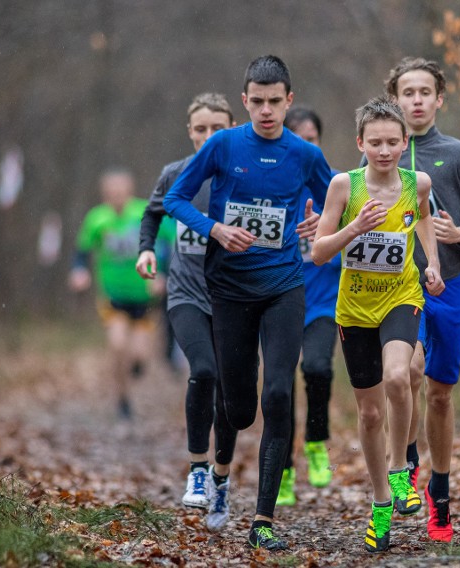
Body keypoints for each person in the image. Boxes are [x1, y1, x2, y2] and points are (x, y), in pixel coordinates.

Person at [163, 55, 334, 551]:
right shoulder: (222, 145)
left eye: (274, 102)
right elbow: (175, 199)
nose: (265, 110)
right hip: (229, 290)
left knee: (278, 394)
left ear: (289, 101)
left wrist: (318, 223)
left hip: (284, 287)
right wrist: (214, 227)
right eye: (256, 102)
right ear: (244, 102)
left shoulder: (303, 154)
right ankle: (217, 480)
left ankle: (263, 519)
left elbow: (336, 199)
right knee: (237, 409)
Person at [311, 95, 445, 553]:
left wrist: (433, 264)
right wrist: (354, 229)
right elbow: (319, 252)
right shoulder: (343, 187)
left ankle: (401, 470)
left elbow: (424, 219)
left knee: (398, 377)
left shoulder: (418, 183)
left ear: (405, 143)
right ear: (360, 144)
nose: (385, 150)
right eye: (376, 143)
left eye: (393, 142)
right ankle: (381, 503)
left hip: (401, 298)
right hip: (353, 309)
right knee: (368, 414)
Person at [385, 56, 460, 542]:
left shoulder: (459, 153)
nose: (415, 100)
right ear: (395, 99)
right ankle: (406, 465)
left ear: (438, 99)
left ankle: (440, 492)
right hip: (396, 285)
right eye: (407, 92)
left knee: (440, 392)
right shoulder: (382, 154)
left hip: (448, 282)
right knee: (406, 370)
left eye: (424, 92)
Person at [135, 93, 238, 532]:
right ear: (190, 132)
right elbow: (152, 213)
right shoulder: (176, 174)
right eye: (201, 129)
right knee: (204, 371)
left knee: (232, 395)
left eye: (218, 128)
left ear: (233, 129)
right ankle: (197, 470)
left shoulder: (246, 172)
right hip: (186, 294)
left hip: (236, 299)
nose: (209, 136)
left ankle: (221, 476)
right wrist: (145, 251)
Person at [276, 106, 341, 506]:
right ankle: (282, 469)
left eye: (311, 138)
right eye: (296, 137)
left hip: (322, 302)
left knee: (317, 368)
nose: (305, 145)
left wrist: (331, 231)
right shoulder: (274, 186)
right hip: (280, 301)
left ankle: (317, 442)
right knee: (279, 389)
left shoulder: (337, 187)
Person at [68, 168, 162, 420]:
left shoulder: (145, 212)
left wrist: (162, 274)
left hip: (144, 295)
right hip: (113, 295)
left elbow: (166, 243)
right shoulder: (97, 219)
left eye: (121, 192)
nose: (117, 197)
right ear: (104, 194)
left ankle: (137, 367)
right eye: (111, 193)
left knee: (139, 355)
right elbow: (82, 251)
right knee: (118, 346)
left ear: (130, 191)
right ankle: (122, 399)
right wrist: (79, 271)